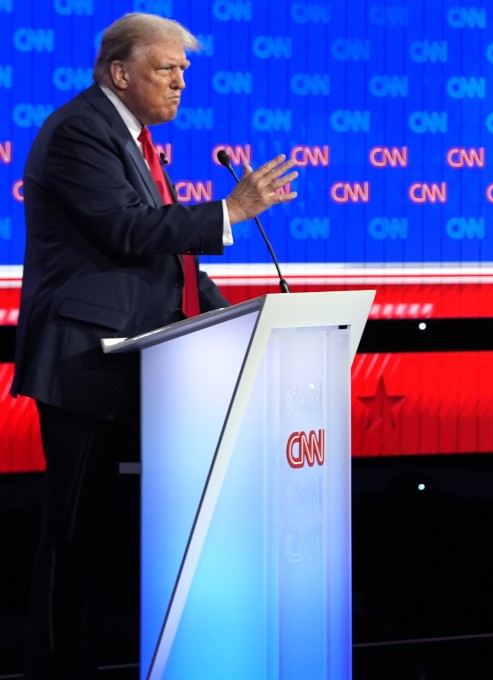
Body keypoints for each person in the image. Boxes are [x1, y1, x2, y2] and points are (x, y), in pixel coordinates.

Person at [10, 13, 298, 677]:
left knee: (107, 542)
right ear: (120, 72)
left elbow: (167, 259)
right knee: (75, 539)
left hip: (130, 363)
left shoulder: (131, 139)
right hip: (86, 364)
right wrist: (230, 211)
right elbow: (128, 230)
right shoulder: (81, 130)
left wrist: (245, 317)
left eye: (184, 71)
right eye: (167, 69)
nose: (180, 82)